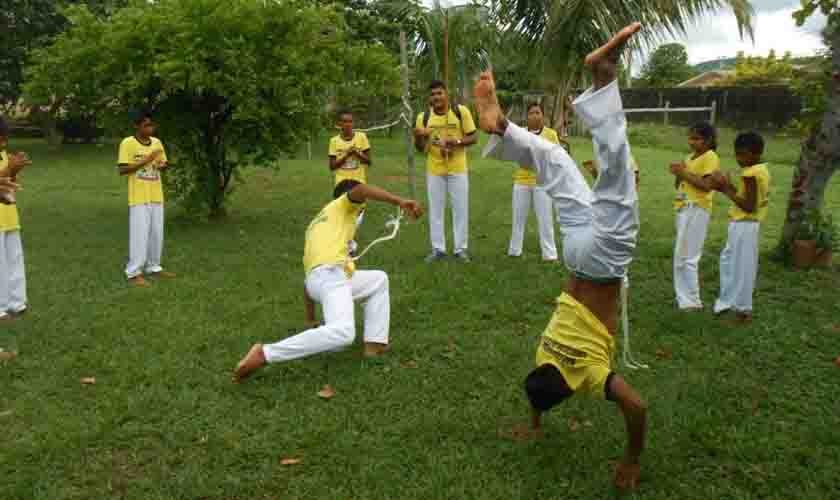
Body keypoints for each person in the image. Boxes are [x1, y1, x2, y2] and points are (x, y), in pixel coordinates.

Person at [475, 23, 647, 490]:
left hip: (600, 262)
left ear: (568, 389)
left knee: (615, 177)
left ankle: (604, 78)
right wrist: (532, 420)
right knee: (559, 165)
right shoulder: (542, 353)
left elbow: (636, 407)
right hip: (574, 250)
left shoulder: (587, 375)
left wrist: (631, 460)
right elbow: (537, 387)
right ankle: (506, 128)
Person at [233, 180, 423, 382]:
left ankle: (374, 345)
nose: (361, 212)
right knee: (343, 333)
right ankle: (266, 353)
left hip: (320, 280)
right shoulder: (343, 205)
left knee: (378, 280)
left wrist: (310, 319)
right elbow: (362, 189)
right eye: (362, 206)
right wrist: (399, 201)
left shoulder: (319, 224)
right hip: (331, 274)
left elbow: (309, 282)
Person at [414, 81, 478, 263]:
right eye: (433, 94)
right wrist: (419, 137)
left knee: (460, 209)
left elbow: (474, 136)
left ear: (446, 94)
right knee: (436, 210)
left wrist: (456, 143)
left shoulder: (460, 112)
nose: (436, 97)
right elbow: (420, 148)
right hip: (435, 169)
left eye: (439, 93)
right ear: (430, 98)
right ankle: (438, 249)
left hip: (457, 168)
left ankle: (460, 249)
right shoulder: (424, 117)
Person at [711, 132, 771, 325]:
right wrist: (729, 186)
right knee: (729, 262)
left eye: (743, 154)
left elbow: (748, 206)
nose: (739, 159)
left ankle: (743, 310)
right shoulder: (760, 169)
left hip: (746, 224)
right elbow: (747, 199)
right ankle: (729, 301)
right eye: (737, 154)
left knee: (743, 267)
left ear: (756, 153)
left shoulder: (750, 174)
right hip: (743, 224)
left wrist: (724, 189)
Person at [118, 111, 175, 287]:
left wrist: (161, 165)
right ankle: (133, 272)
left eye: (152, 125)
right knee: (139, 235)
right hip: (138, 197)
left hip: (156, 195)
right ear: (137, 126)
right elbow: (123, 170)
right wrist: (147, 160)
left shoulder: (157, 143)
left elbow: (164, 164)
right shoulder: (128, 143)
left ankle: (154, 266)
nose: (150, 128)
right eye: (146, 125)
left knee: (156, 233)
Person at [668, 123, 721, 311]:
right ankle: (684, 298)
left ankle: (692, 301)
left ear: (709, 140)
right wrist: (678, 173)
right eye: (690, 138)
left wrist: (684, 172)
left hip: (697, 208)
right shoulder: (689, 157)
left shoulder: (710, 157)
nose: (692, 142)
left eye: (697, 138)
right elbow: (680, 184)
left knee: (688, 256)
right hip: (683, 207)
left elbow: (707, 185)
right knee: (680, 255)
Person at [508, 103, 560, 262]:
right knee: (518, 218)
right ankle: (514, 251)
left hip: (542, 183)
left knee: (545, 219)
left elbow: (556, 157)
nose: (535, 115)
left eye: (538, 112)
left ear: (543, 116)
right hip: (521, 181)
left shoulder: (551, 134)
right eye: (531, 113)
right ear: (527, 116)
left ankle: (550, 255)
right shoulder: (521, 133)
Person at [0, 116, 31, 321]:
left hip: (9, 214)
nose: (4, 142)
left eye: (5, 137)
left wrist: (15, 169)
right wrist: (10, 168)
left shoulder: (4, 154)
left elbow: (8, 182)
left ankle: (17, 302)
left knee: (14, 259)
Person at [329, 110, 371, 186]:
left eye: (350, 121)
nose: (348, 124)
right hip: (341, 182)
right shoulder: (334, 141)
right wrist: (347, 155)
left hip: (359, 181)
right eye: (345, 122)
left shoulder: (362, 137)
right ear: (340, 123)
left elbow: (368, 161)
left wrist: (356, 153)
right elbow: (332, 167)